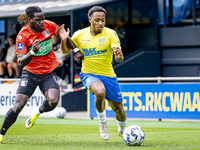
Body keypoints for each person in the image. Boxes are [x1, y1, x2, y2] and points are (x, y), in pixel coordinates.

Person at [0, 6, 83, 144]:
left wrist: (76, 50)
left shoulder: (49, 25)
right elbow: (20, 62)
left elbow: (64, 35)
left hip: (47, 73)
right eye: (38, 20)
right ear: (29, 20)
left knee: (53, 101)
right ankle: (1, 133)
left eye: (43, 19)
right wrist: (32, 52)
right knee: (18, 106)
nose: (42, 23)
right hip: (30, 74)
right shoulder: (22, 36)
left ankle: (37, 111)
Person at [59, 6, 127, 140]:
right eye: (97, 20)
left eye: (103, 20)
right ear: (90, 20)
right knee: (100, 92)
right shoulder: (79, 34)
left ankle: (123, 129)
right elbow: (65, 51)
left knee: (118, 109)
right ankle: (103, 122)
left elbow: (119, 57)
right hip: (88, 73)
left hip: (108, 75)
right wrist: (63, 39)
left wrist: (118, 55)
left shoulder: (111, 34)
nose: (101, 23)